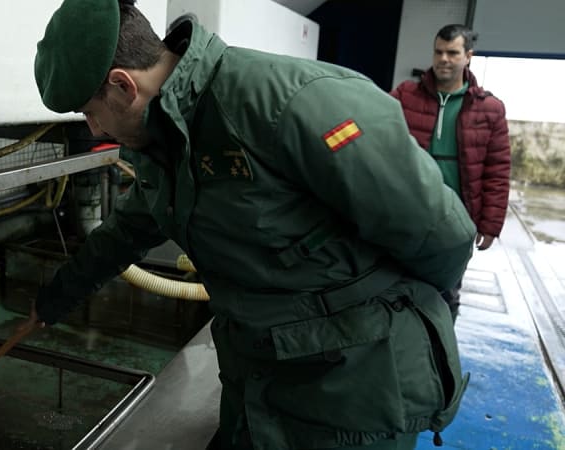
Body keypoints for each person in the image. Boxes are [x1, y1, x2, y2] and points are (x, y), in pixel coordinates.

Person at [32, 1, 476, 448]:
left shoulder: (295, 103)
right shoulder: (167, 136)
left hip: (355, 392)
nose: (94, 128)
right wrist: (55, 298)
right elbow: (127, 232)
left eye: (89, 112)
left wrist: (405, 316)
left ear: (123, 86)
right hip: (261, 379)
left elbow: (442, 237)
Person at [390, 24, 511, 321]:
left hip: (458, 219)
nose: (443, 59)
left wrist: (490, 223)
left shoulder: (490, 108)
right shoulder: (406, 95)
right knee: (394, 287)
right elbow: (379, 138)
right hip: (408, 213)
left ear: (468, 56)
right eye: (438, 52)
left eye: (452, 53)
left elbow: (497, 170)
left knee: (446, 293)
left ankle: (440, 357)